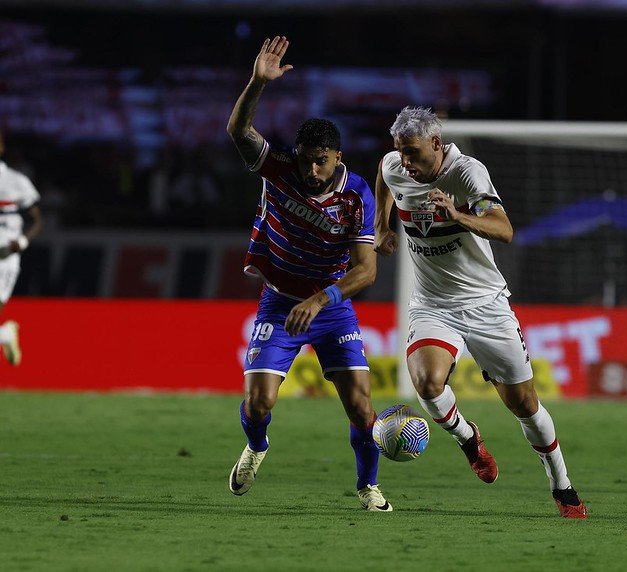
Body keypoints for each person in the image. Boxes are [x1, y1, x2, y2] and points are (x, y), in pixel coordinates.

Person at [374, 107, 587, 519]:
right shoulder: (394, 165)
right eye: (401, 152)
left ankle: (562, 485)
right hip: (433, 304)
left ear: (436, 144)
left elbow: (505, 230)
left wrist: (458, 215)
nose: (406, 162)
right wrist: (383, 225)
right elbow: (384, 175)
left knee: (524, 404)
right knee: (427, 383)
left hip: (486, 305)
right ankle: (468, 439)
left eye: (414, 153)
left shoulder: (468, 173)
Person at [225, 36, 391, 511]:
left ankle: (368, 487)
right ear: (296, 153)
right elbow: (238, 131)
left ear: (338, 157)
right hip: (279, 302)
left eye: (322, 159)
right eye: (307, 158)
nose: (313, 168)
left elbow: (366, 271)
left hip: (330, 308)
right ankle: (257, 446)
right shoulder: (277, 168)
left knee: (360, 405)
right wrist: (257, 83)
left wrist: (320, 300)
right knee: (259, 404)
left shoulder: (357, 194)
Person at [0, 131, 43, 366]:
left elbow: (38, 221)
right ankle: (5, 334)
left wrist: (22, 242)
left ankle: (5, 334)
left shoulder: (16, 182)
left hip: (4, 259)